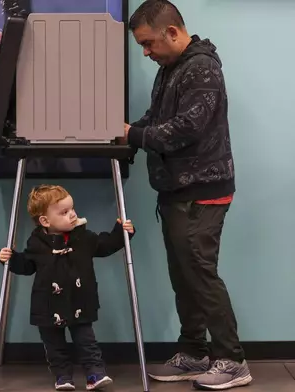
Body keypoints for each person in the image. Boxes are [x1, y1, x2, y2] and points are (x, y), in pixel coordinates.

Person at [125, 1, 252, 390]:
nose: (145, 52)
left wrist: (132, 134)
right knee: (185, 276)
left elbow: (185, 129)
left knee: (199, 273)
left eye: (148, 43)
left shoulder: (201, 68)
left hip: (203, 192)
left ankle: (232, 360)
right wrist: (125, 133)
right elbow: (155, 120)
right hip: (176, 190)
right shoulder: (170, 70)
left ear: (173, 33)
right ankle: (195, 352)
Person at [0, 185, 135, 391]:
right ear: (45, 221)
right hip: (48, 303)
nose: (72, 215)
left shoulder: (84, 237)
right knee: (54, 345)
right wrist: (11, 259)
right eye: (64, 212)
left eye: (72, 209)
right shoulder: (37, 243)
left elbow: (105, 246)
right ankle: (63, 376)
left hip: (79, 299)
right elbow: (27, 266)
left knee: (86, 340)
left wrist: (122, 233)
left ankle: (95, 373)